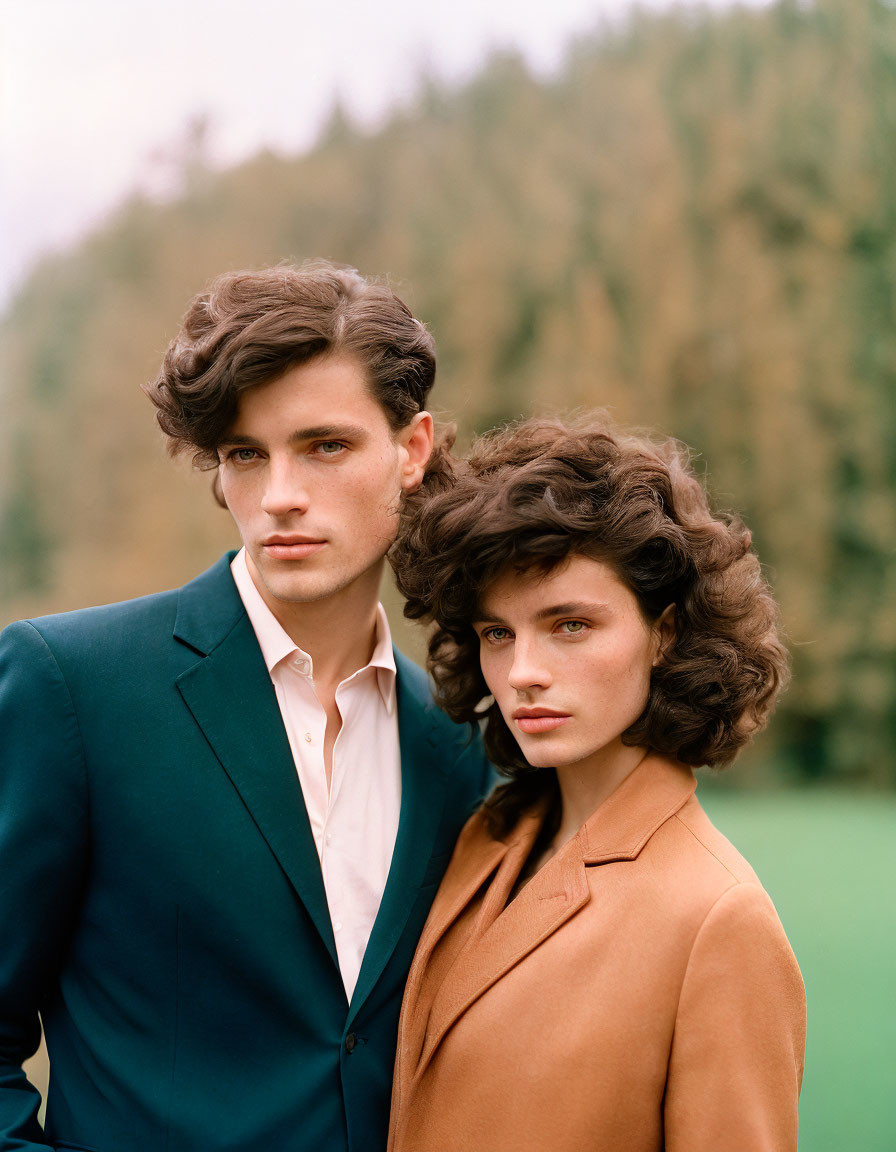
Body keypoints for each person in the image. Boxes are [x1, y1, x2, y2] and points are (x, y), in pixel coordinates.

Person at [0, 261, 491, 1152]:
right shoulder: (70, 686)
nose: (280, 497)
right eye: (244, 455)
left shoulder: (455, 741)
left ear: (412, 450)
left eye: (326, 446)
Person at [387, 415, 807, 1152]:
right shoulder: (485, 840)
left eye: (570, 625)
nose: (523, 673)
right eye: (497, 633)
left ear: (666, 632)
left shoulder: (720, 922)